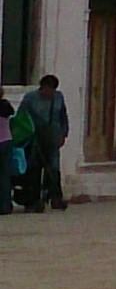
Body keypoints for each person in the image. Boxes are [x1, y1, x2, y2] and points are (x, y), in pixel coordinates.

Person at [18, 77, 67, 213]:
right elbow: (21, 117)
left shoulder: (59, 98)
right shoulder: (30, 99)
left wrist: (64, 133)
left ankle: (55, 197)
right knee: (34, 168)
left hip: (53, 136)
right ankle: (33, 200)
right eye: (47, 89)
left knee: (53, 168)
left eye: (52, 90)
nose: (49, 93)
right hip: (34, 138)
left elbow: (63, 116)